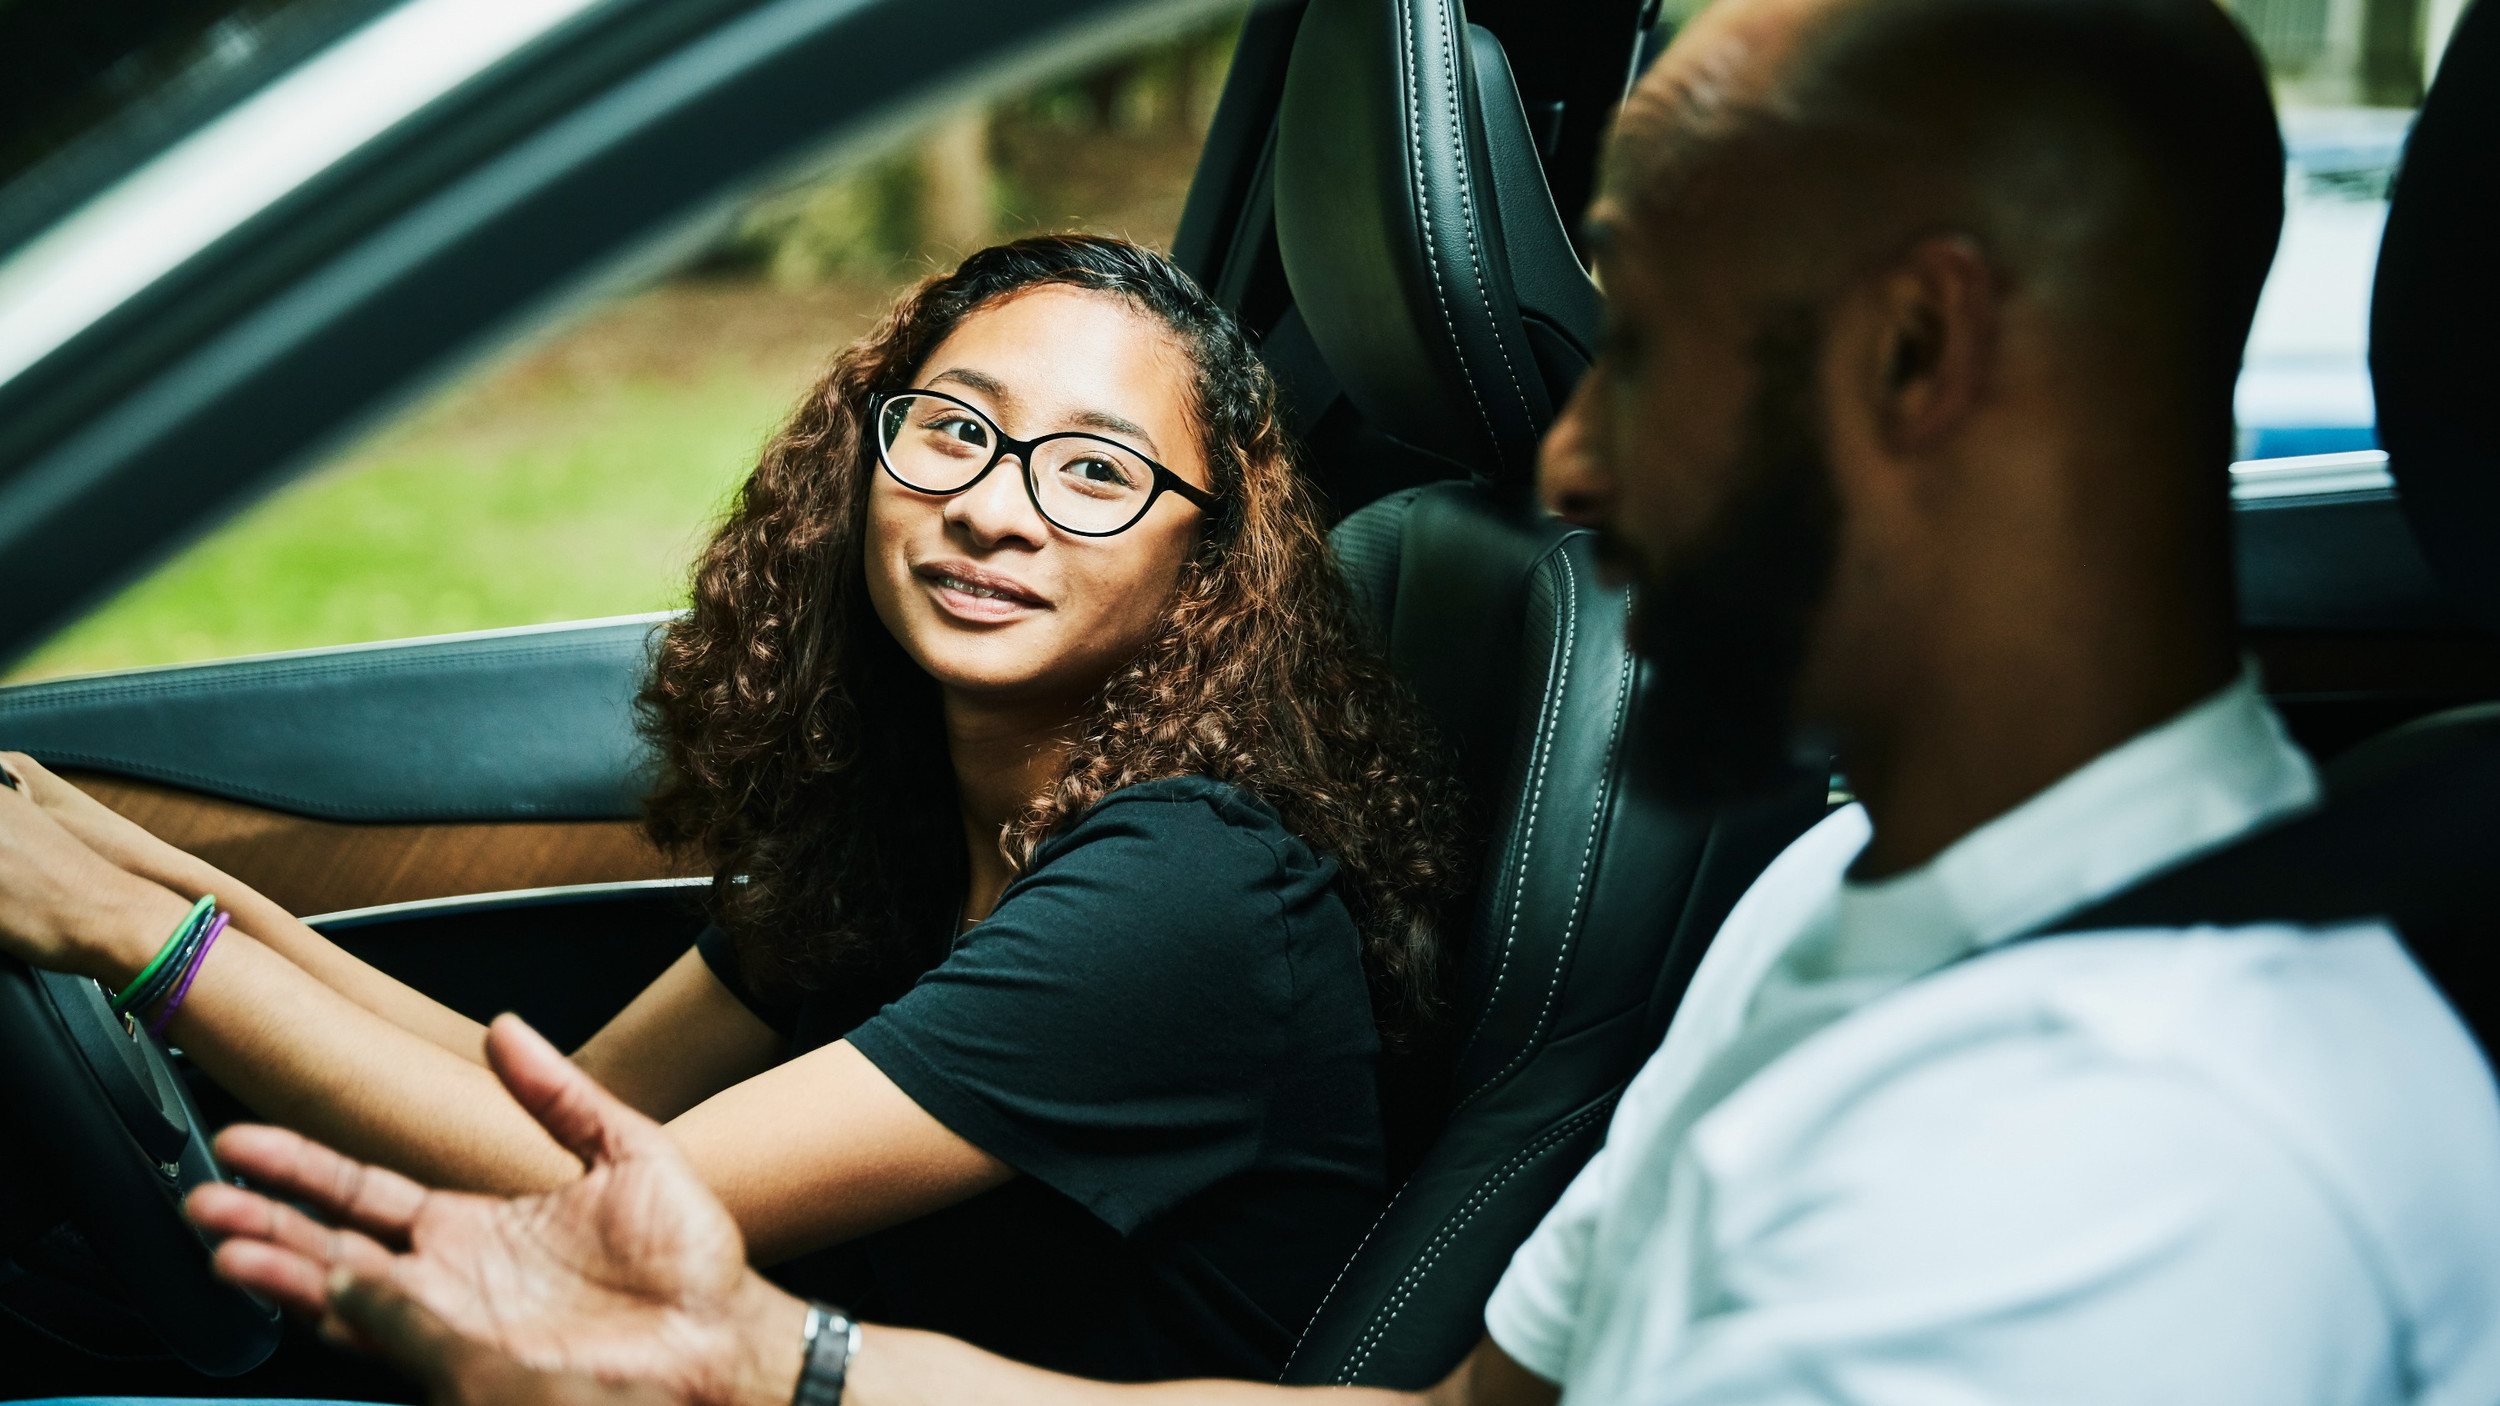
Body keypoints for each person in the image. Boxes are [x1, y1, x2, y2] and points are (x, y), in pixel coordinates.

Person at [177, 0, 2500, 1400]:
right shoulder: (1843, 912)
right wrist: (772, 1360)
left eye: (1648, 349)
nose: (1570, 459)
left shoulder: (2137, 1152)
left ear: (1910, 357)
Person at [0, 235, 1469, 1381]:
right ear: (870, 455)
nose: (995, 504)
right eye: (954, 429)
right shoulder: (907, 818)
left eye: (1094, 470)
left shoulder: (1186, 891)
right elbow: (572, 1100)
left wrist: (137, 934)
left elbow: (615, 1196)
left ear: (1205, 568)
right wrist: (111, 855)